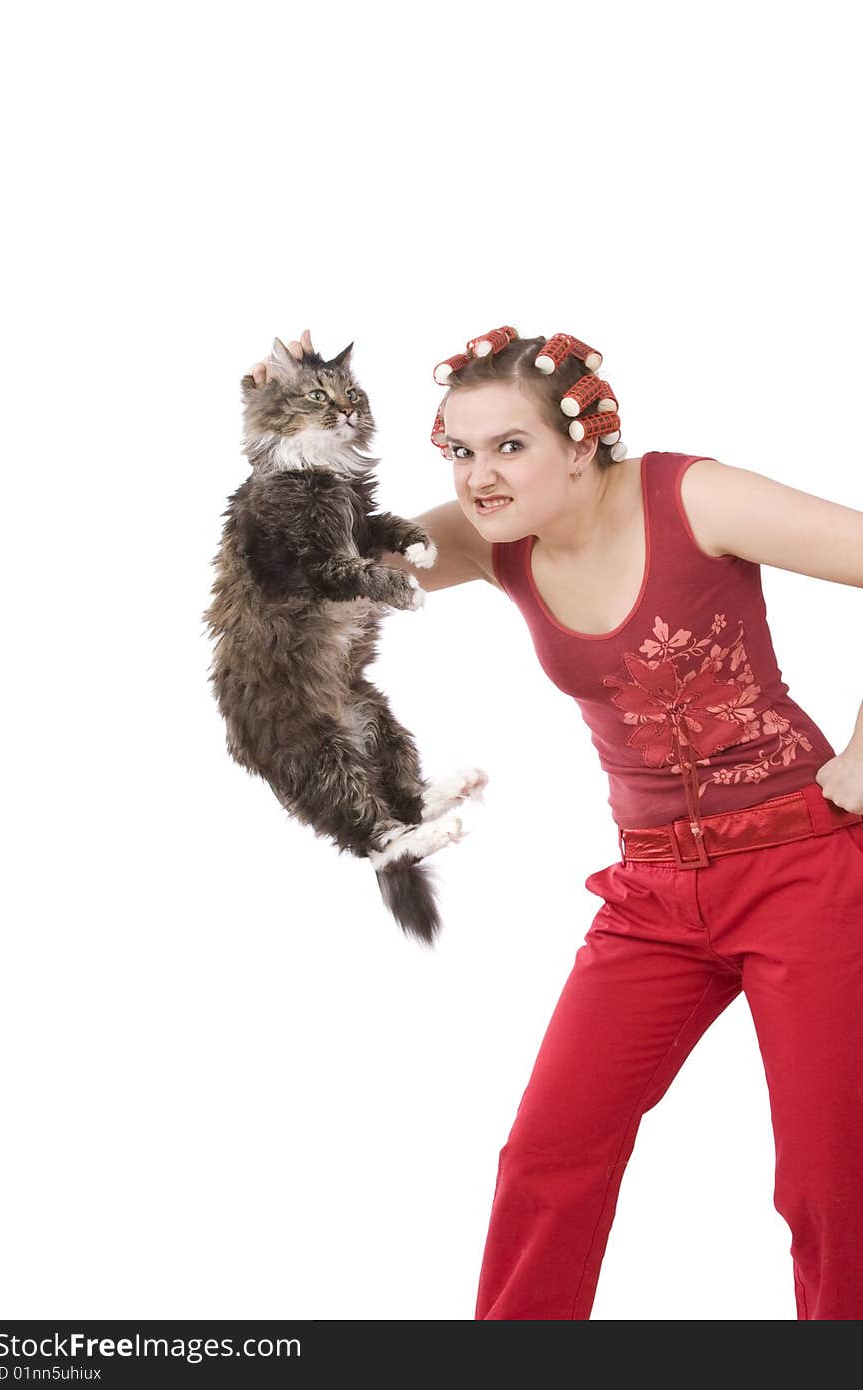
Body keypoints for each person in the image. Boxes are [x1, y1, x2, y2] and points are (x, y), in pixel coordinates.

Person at [251, 328, 863, 1319]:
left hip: (802, 869)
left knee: (829, 1188)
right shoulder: (493, 538)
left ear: (582, 443)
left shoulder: (693, 497)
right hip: (652, 891)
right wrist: (297, 435)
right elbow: (319, 564)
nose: (478, 473)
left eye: (508, 446)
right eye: (456, 449)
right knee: (548, 1154)